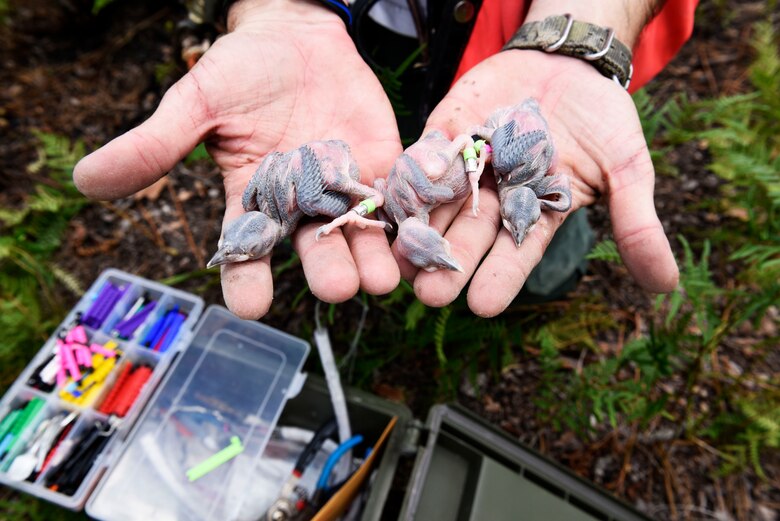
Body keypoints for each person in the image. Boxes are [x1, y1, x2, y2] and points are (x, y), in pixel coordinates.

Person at [73, 0, 696, 320]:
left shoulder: (488, 156)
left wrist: (580, 33)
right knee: (381, 216)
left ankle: (531, 264)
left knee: (533, 249)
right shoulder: (323, 185)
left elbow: (465, 153)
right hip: (347, 46)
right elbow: (354, 197)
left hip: (511, 54)